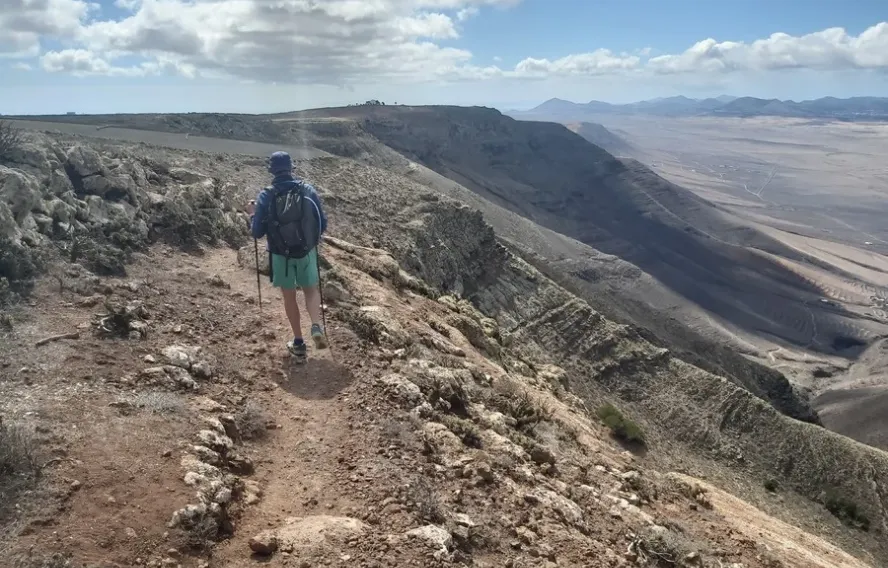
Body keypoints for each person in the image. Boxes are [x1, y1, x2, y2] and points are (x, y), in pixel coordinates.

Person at [245, 151, 328, 359]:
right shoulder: (307, 189)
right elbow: (322, 223)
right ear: (291, 168)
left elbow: (257, 232)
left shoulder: (266, 195)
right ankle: (316, 326)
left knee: (289, 296)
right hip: (306, 252)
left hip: (280, 254)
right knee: (310, 290)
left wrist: (252, 214)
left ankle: (299, 343)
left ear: (271, 170)